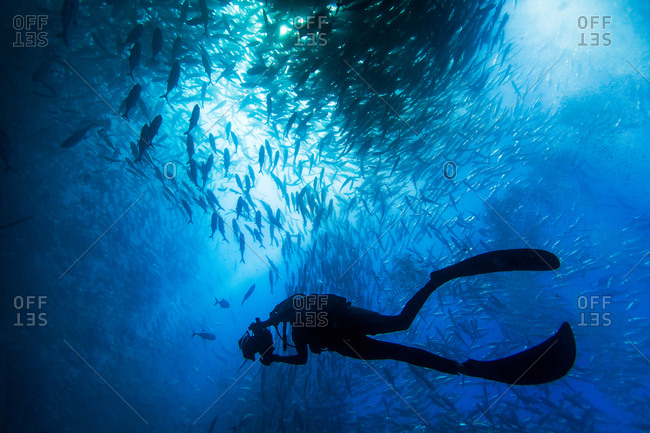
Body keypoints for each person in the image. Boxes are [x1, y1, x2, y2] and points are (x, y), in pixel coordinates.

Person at [239, 249, 576, 385]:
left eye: (259, 348)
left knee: (401, 323)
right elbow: (301, 361)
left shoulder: (282, 316)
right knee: (401, 351)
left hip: (344, 322)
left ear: (260, 337)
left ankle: (439, 279)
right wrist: (278, 358)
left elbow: (295, 313)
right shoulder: (290, 333)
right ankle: (461, 367)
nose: (264, 350)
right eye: (261, 351)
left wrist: (268, 332)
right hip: (342, 343)